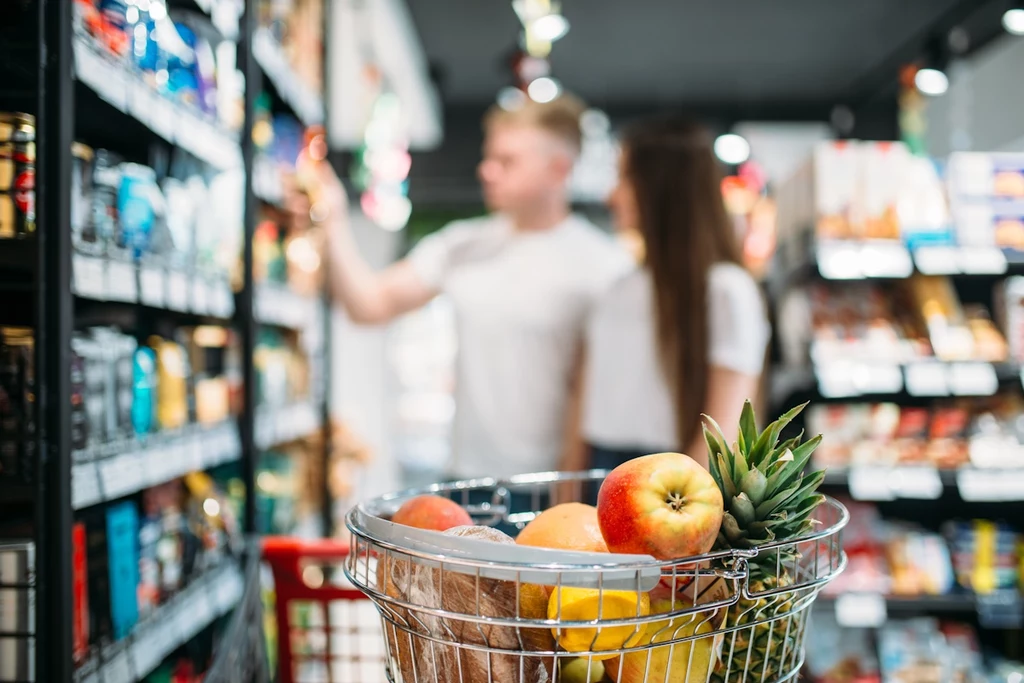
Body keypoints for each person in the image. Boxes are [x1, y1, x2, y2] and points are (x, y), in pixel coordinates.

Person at [305, 94, 630, 481]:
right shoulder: (462, 245)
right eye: (489, 157)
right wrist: (333, 219)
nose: (486, 171)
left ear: (558, 170)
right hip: (465, 479)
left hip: (558, 487)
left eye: (507, 161)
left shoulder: (605, 267)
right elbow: (369, 305)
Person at [579, 117, 770, 472]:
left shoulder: (725, 289)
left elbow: (721, 431)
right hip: (602, 469)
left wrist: (681, 503)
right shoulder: (618, 287)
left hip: (670, 477)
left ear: (660, 187)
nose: (611, 195)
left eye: (625, 179)